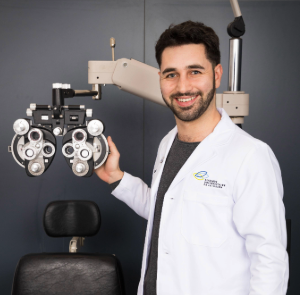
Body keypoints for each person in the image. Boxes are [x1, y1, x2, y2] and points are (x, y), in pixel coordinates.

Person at [95, 21, 289, 295]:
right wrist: (117, 178)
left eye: (195, 71)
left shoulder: (251, 156)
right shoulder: (167, 143)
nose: (183, 87)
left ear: (217, 75)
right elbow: (169, 211)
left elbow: (270, 261)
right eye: (171, 74)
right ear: (160, 78)